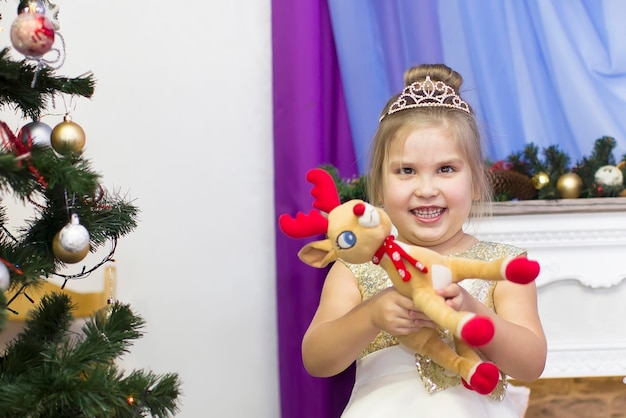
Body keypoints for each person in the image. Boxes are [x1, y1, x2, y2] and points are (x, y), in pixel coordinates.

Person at [301, 64, 547, 417]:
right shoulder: (354, 269)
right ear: (380, 187)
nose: (426, 189)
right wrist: (372, 315)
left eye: (446, 169)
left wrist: (470, 309)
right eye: (406, 171)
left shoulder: (502, 267)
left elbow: (531, 363)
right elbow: (317, 359)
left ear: (476, 181)